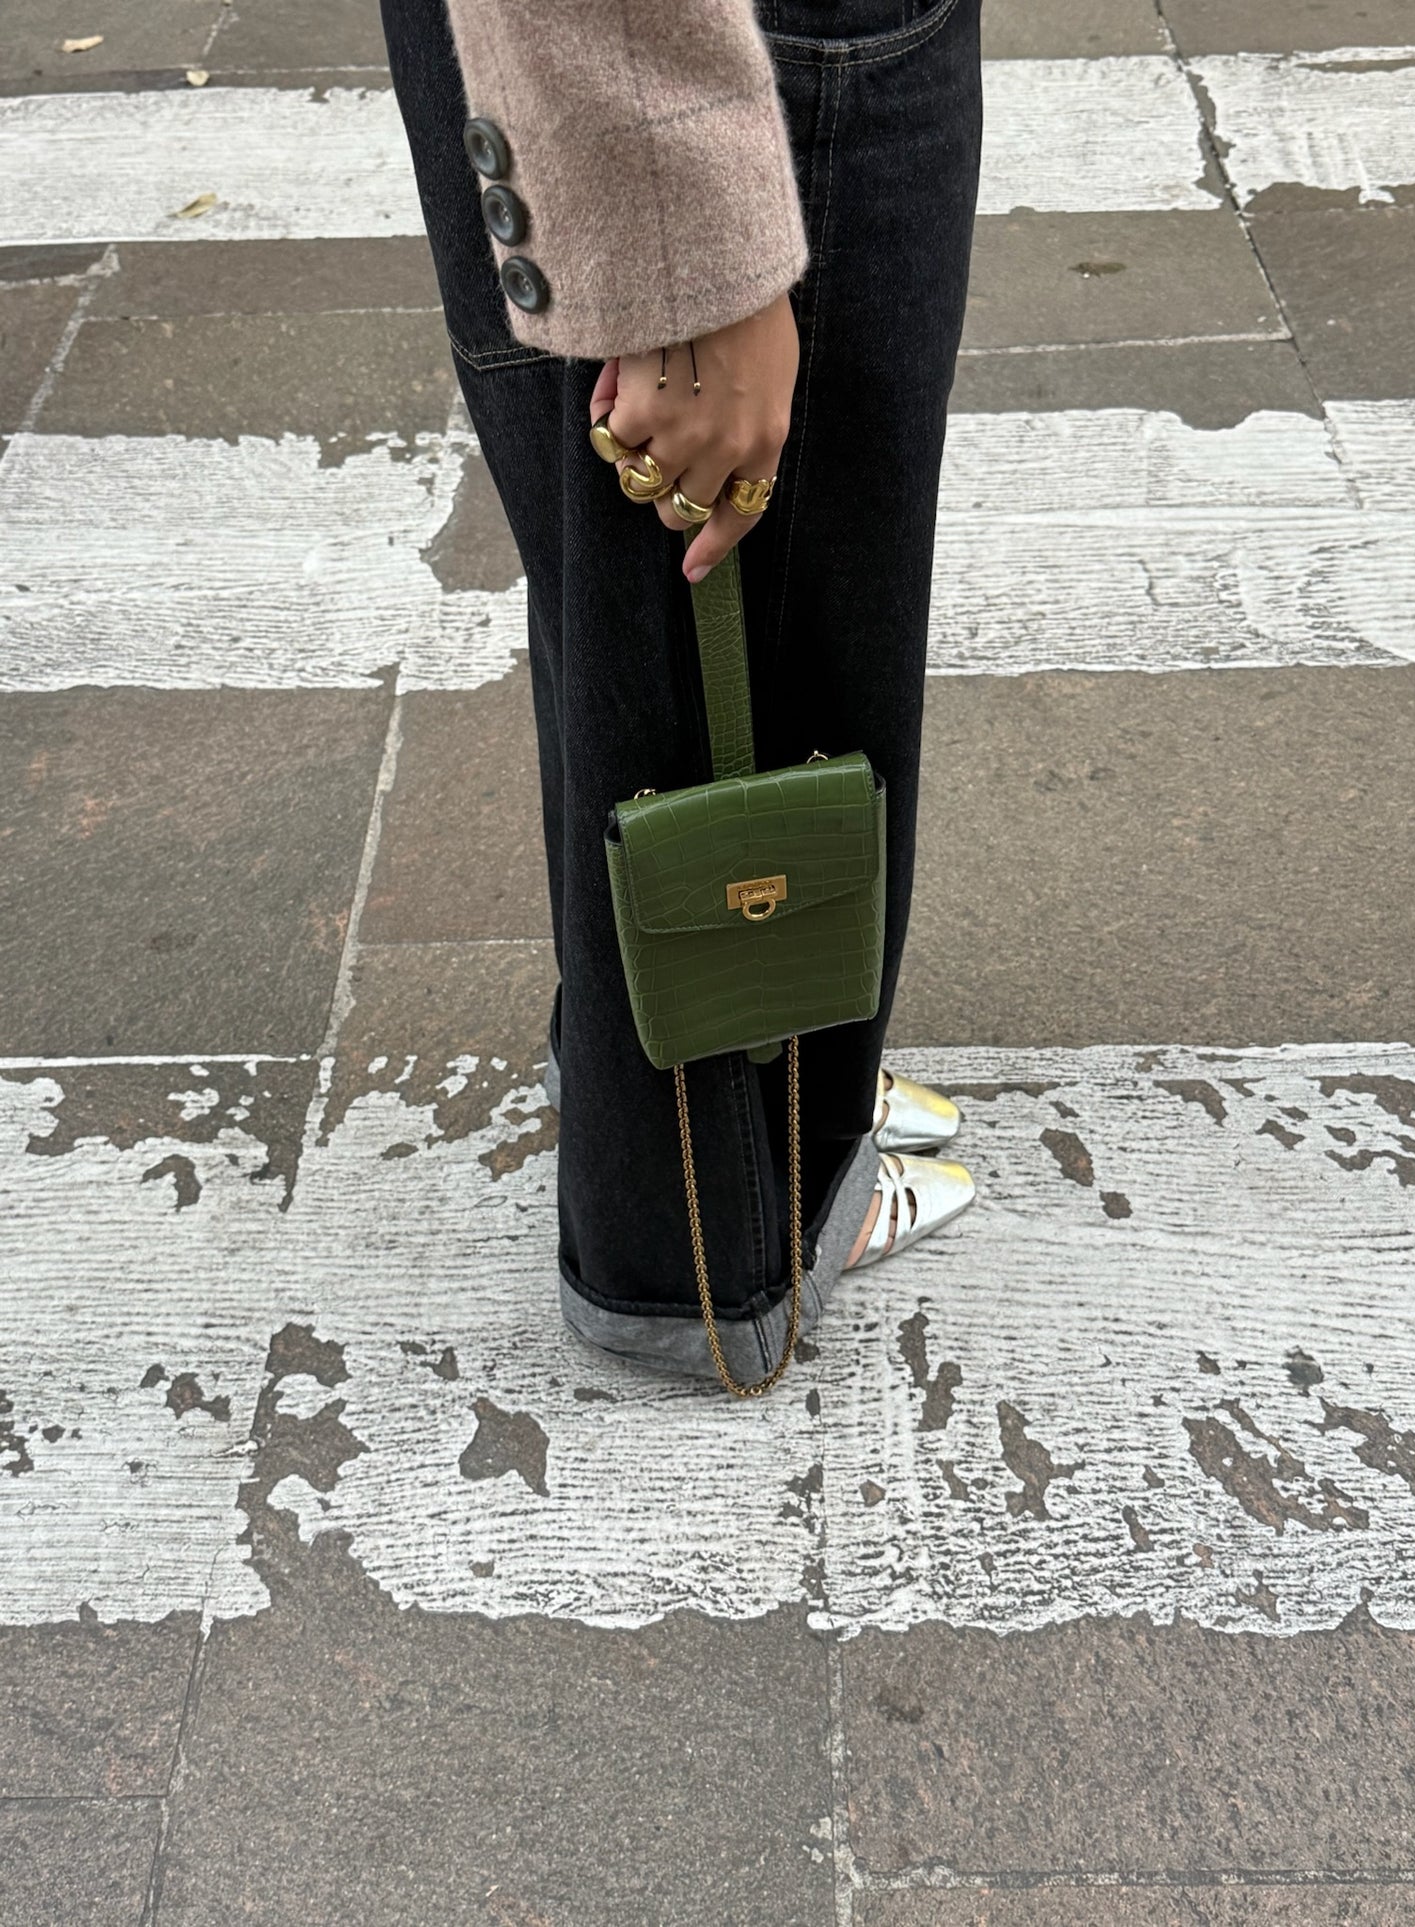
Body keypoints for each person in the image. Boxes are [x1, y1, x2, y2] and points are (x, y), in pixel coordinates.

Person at [379, 0, 985, 1381]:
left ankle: (755, 1112)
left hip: (689, 66)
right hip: (723, 70)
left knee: (672, 649)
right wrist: (680, 255)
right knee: (747, 664)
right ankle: (719, 1239)